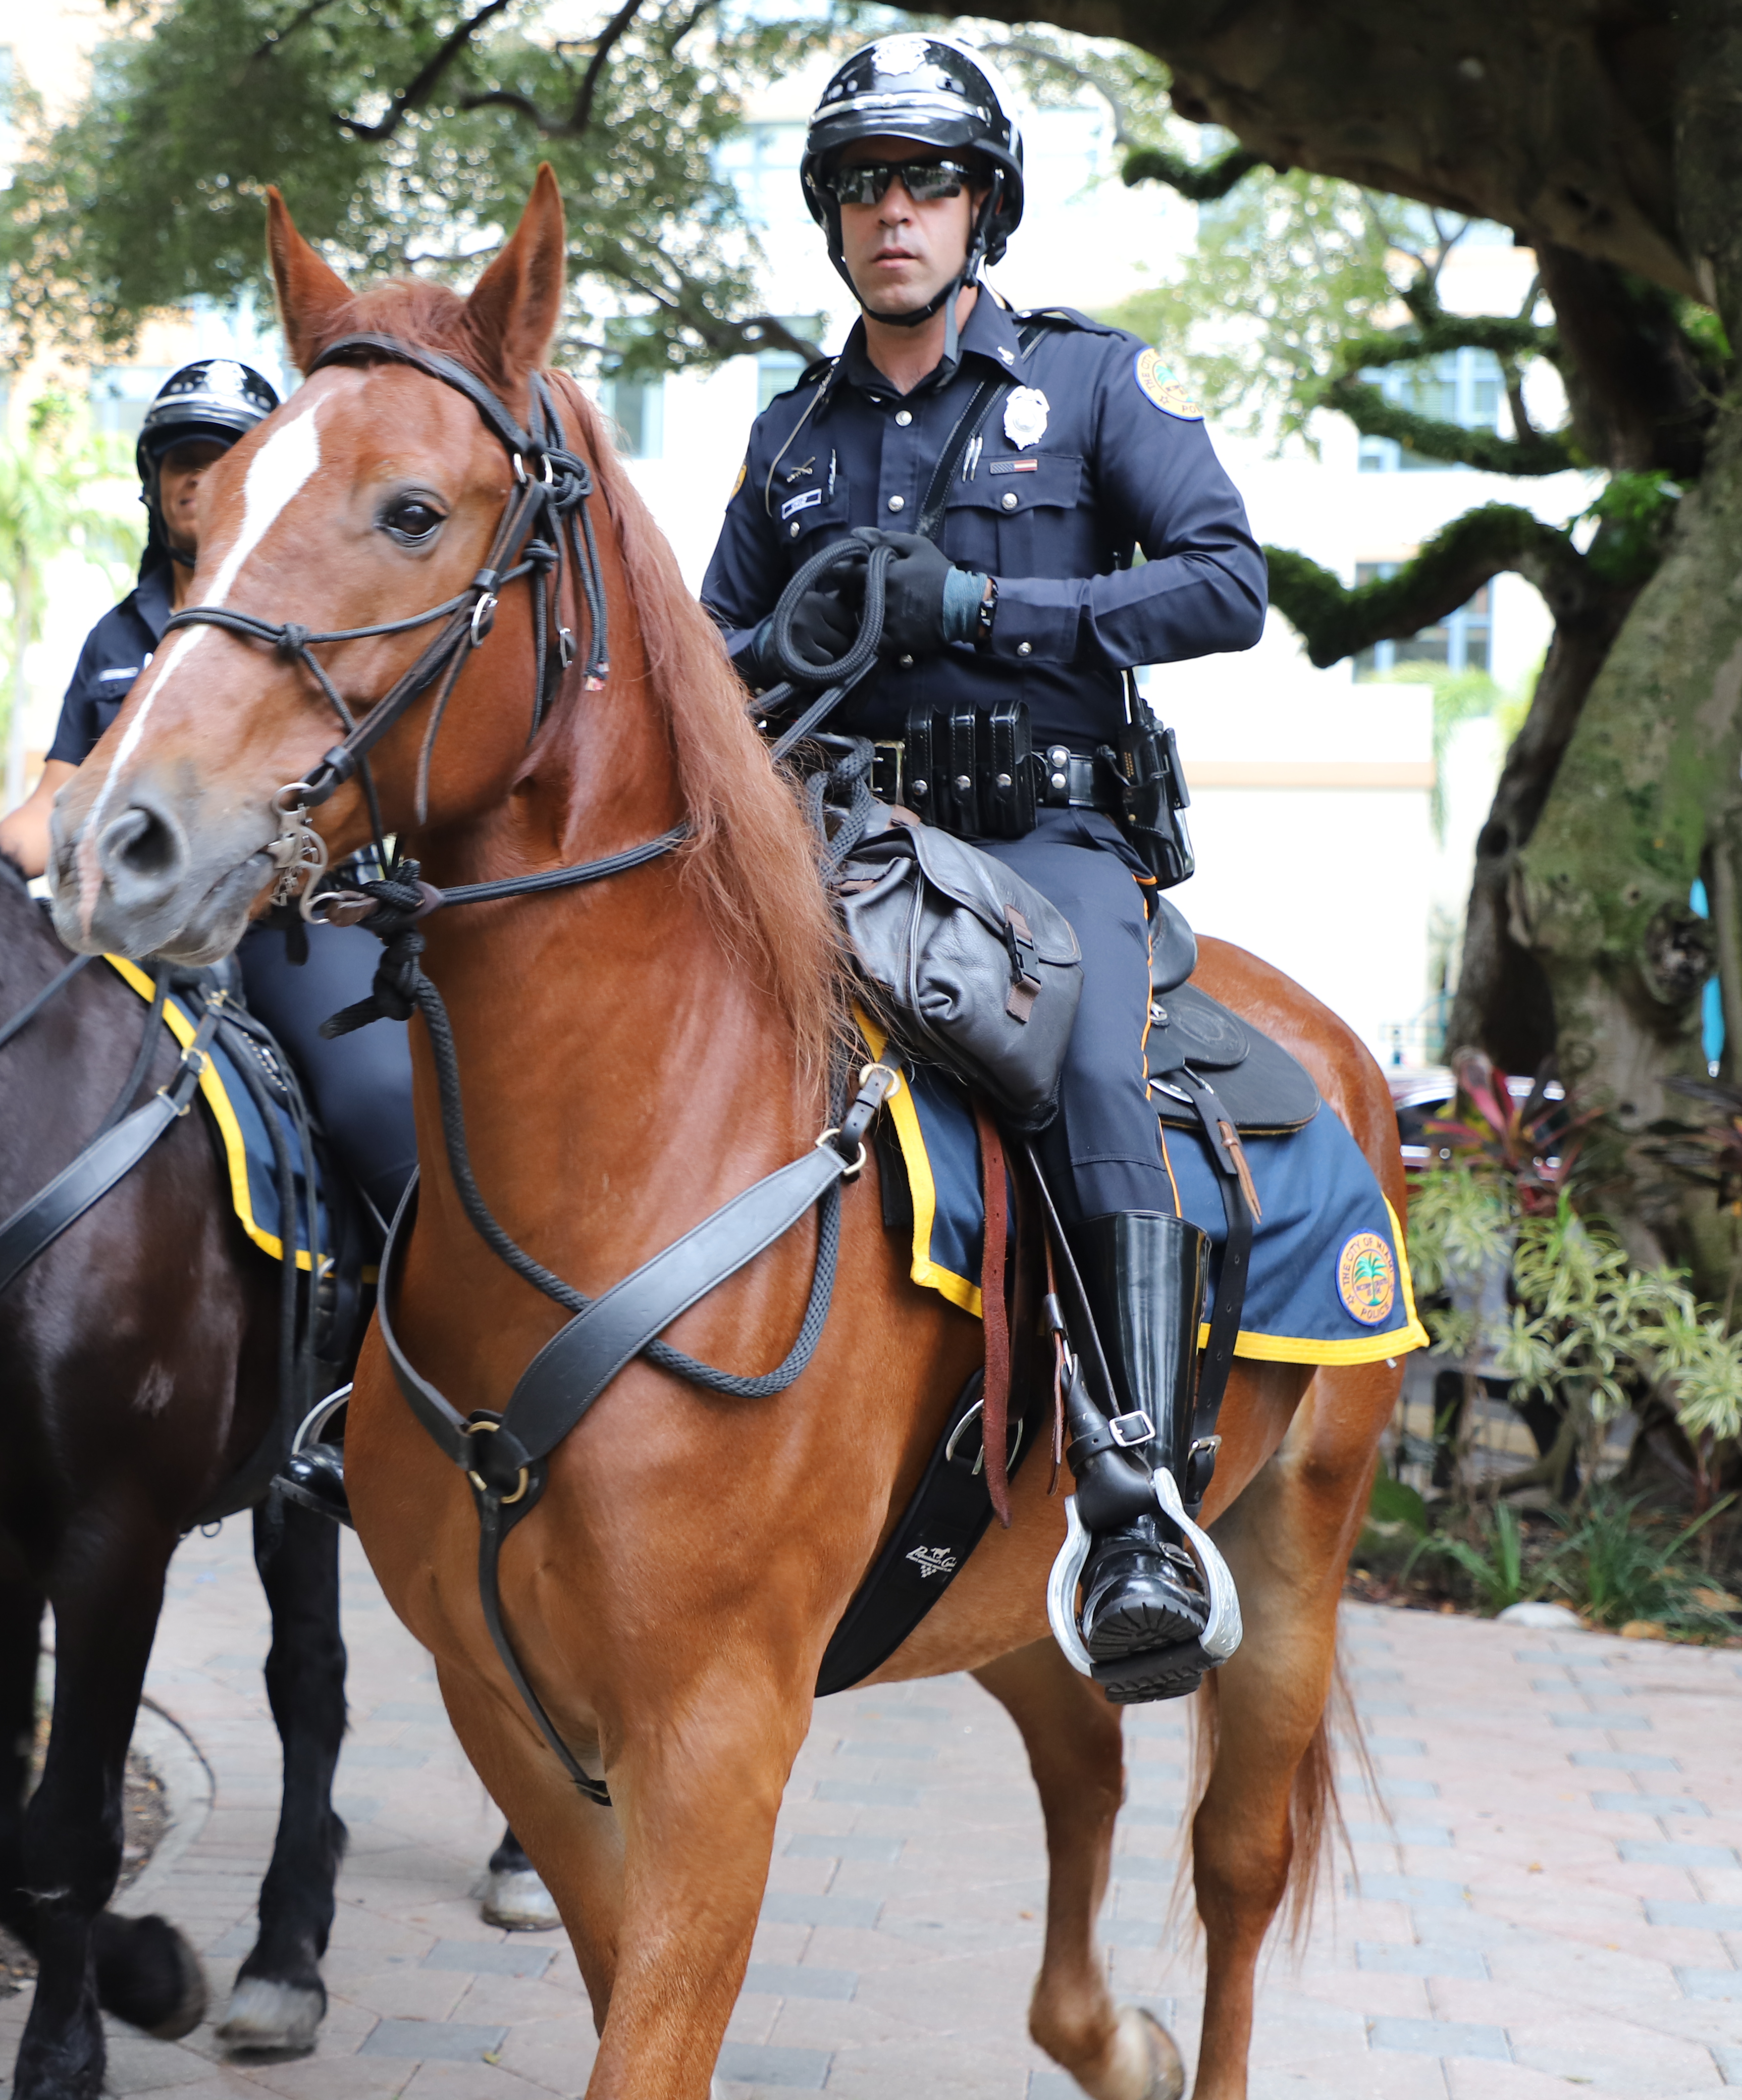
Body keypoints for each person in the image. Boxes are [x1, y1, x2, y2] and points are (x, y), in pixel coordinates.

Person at [697, 33, 1268, 1704]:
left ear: (981, 207)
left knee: (1086, 1066)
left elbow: (1228, 585)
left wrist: (996, 612)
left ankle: (1138, 1494)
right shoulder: (787, 435)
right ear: (833, 216)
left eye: (927, 179)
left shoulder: (1089, 387)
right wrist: (759, 642)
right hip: (844, 847)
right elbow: (711, 670)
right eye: (865, 182)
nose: (896, 211)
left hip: (1046, 843)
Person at [0, 361, 420, 1526]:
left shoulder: (320, 607)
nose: (199, 484)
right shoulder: (118, 635)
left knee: (383, 1112)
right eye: (182, 463)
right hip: (131, 938)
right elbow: (57, 797)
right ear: (154, 486)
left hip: (286, 930)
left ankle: (388, 1394)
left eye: (224, 461)